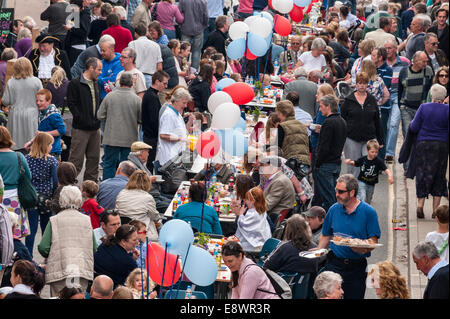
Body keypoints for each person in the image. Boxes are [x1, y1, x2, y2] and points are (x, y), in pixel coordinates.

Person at [314, 174, 381, 299]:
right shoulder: (334, 209)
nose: (337, 194)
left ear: (352, 192)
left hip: (356, 267)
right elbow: (326, 235)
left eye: (341, 192)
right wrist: (319, 252)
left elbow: (374, 240)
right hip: (334, 263)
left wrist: (361, 247)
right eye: (336, 191)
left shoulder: (369, 212)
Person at [38, 185, 97, 297]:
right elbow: (94, 247)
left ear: (61, 201)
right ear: (79, 200)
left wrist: (52, 254)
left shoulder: (54, 220)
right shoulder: (86, 220)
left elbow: (43, 247)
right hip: (81, 270)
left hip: (60, 269)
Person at [408, 84, 449, 219]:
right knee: (439, 176)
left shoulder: (423, 107)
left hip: (423, 145)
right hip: (441, 146)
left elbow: (414, 127)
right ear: (443, 97)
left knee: (422, 174)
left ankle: (420, 206)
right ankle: (435, 210)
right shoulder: (447, 110)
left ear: (431, 96)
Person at [97, 72, 142, 180]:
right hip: (129, 140)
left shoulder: (110, 96)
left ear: (120, 82)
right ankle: (124, 189)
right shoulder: (136, 99)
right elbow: (141, 119)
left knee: (109, 165)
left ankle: (107, 189)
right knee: (127, 167)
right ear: (132, 84)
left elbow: (100, 115)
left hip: (111, 138)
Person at [341, 72, 384, 179]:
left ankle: (365, 192)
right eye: (359, 83)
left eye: (364, 83)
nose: (361, 86)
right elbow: (342, 120)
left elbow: (377, 121)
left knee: (368, 166)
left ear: (367, 84)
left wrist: (381, 140)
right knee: (353, 168)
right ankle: (354, 192)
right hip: (352, 139)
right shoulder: (348, 100)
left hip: (369, 139)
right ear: (356, 84)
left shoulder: (372, 99)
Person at [67, 57, 102, 182]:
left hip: (95, 128)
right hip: (80, 128)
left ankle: (90, 185)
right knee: (76, 159)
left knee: (94, 158)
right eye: (98, 69)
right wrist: (80, 117)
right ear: (91, 68)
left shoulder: (95, 82)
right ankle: (69, 184)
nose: (100, 72)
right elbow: (71, 103)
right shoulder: (75, 83)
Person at [24, 132, 58, 258]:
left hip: (32, 197)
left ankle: (28, 257)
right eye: (50, 145)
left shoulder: (27, 159)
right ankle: (46, 256)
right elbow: (55, 181)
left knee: (31, 230)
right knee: (46, 229)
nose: (51, 147)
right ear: (45, 145)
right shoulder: (51, 160)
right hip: (46, 199)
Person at [314, 94, 347, 212]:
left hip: (326, 165)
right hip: (336, 164)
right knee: (334, 196)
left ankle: (332, 224)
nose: (319, 109)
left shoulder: (328, 123)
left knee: (329, 199)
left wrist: (317, 164)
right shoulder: (342, 121)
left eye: (321, 106)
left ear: (328, 107)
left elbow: (324, 147)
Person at [2, 57, 43, 151]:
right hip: (31, 113)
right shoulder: (36, 81)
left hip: (15, 114)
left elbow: (5, 101)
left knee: (15, 142)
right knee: (31, 141)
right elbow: (41, 99)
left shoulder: (11, 82)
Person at [0, 126, 32, 239]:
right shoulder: (18, 156)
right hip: (14, 198)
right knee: (13, 233)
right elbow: (28, 176)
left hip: (0, 198)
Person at [383, 40, 410, 163]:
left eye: (390, 48)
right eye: (386, 48)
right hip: (383, 96)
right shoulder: (382, 62)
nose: (388, 50)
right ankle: (381, 151)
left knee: (393, 124)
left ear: (395, 49)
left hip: (397, 96)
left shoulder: (405, 62)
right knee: (384, 126)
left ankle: (389, 153)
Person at [127, 141, 172, 214]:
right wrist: (149, 179)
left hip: (154, 194)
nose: (148, 154)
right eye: (147, 152)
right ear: (141, 153)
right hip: (148, 197)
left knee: (174, 203)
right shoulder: (131, 166)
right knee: (172, 207)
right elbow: (134, 183)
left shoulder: (140, 163)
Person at [115, 170, 160, 242]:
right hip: (140, 231)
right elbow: (155, 216)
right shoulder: (147, 197)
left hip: (124, 229)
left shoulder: (121, 193)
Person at [344, 139, 394, 204]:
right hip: (362, 181)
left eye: (376, 152)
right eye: (372, 152)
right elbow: (356, 163)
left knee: (368, 200)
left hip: (371, 184)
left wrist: (390, 176)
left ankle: (364, 207)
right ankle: (360, 209)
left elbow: (385, 169)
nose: (374, 154)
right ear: (367, 151)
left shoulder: (378, 161)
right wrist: (350, 162)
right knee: (362, 197)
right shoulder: (363, 159)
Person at [156, 87, 195, 168]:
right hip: (168, 160)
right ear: (176, 101)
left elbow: (183, 133)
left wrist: (190, 122)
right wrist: (180, 139)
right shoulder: (169, 115)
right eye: (184, 103)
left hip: (176, 158)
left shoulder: (177, 114)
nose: (185, 106)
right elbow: (163, 135)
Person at [141, 71, 170, 172]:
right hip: (151, 136)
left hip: (150, 134)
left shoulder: (151, 94)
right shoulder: (152, 97)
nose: (166, 86)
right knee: (150, 164)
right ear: (157, 81)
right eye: (164, 83)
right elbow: (154, 120)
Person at [24, 89, 66, 158]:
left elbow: (62, 130)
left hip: (52, 151)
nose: (38, 103)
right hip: (42, 150)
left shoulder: (53, 115)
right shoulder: (41, 113)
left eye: (41, 101)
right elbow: (40, 133)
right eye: (37, 100)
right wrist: (31, 142)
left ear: (48, 101)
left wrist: (44, 133)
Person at [233, 187, 271, 255]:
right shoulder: (259, 210)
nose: (245, 201)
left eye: (247, 199)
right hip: (258, 240)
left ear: (253, 200)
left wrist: (240, 214)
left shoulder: (255, 213)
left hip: (254, 244)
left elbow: (243, 224)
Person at [259, 156, 296, 225]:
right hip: (270, 216)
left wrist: (250, 210)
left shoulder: (279, 181)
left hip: (273, 220)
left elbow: (267, 205)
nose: (261, 169)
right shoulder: (275, 179)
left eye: (264, 167)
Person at [275, 100, 310, 168]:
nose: (278, 117)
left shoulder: (282, 126)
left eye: (278, 114)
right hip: (304, 163)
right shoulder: (302, 126)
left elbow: (276, 147)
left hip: (291, 163)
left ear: (282, 114)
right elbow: (309, 146)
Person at [128, 23, 163, 89]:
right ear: (146, 33)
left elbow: (129, 61)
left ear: (135, 33)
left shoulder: (132, 44)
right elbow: (159, 67)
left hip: (135, 76)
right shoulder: (156, 45)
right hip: (150, 77)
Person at [178, 0, 209, 70]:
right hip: (199, 29)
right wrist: (204, 25)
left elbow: (178, 14)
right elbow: (206, 15)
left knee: (183, 50)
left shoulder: (183, 1)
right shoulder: (203, 1)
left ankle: (183, 68)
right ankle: (194, 70)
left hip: (186, 28)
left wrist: (180, 24)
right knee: (197, 51)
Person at [63, 0, 91, 66]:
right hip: (71, 45)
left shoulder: (84, 15)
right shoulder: (76, 14)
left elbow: (84, 32)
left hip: (77, 46)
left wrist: (71, 29)